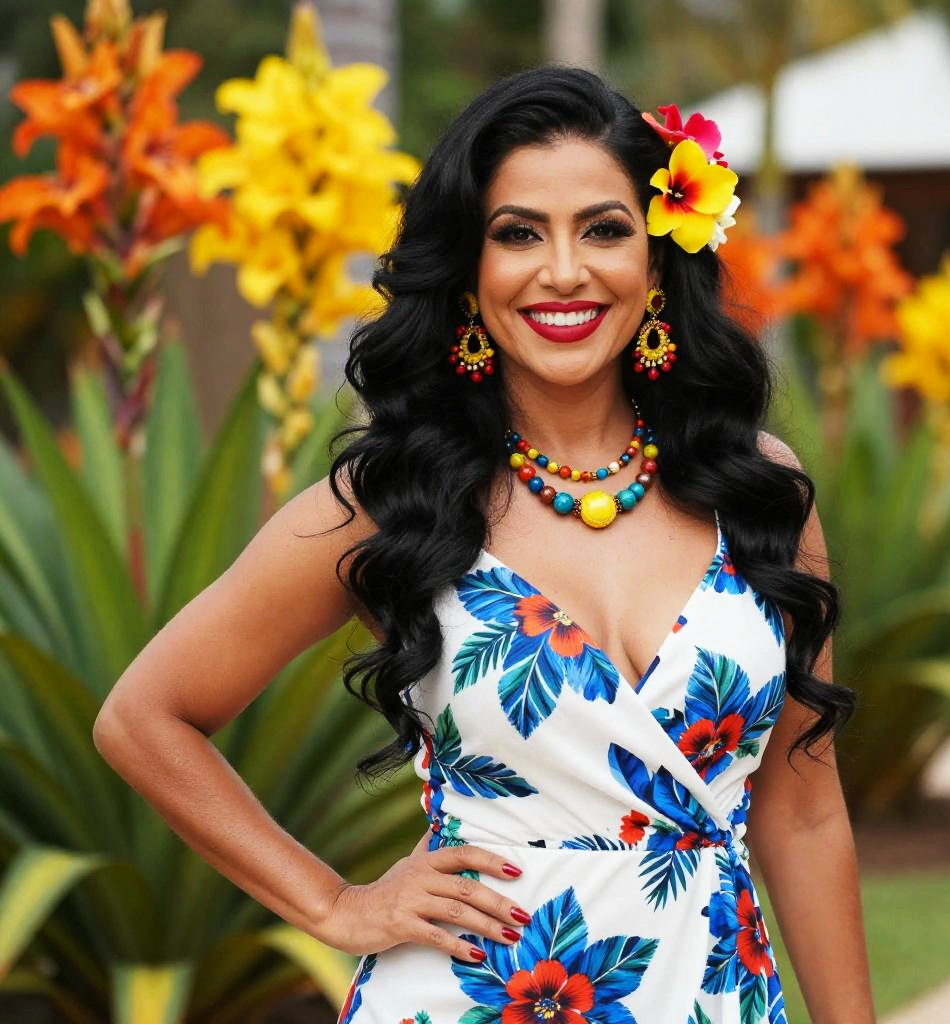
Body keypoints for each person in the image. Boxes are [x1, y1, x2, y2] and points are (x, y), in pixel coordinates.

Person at [94, 65, 875, 1023]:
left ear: (659, 259)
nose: (563, 271)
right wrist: (334, 904)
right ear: (468, 270)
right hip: (470, 997)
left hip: (706, 993)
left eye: (603, 228)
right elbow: (144, 718)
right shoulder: (395, 499)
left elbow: (801, 808)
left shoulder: (759, 490)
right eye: (517, 233)